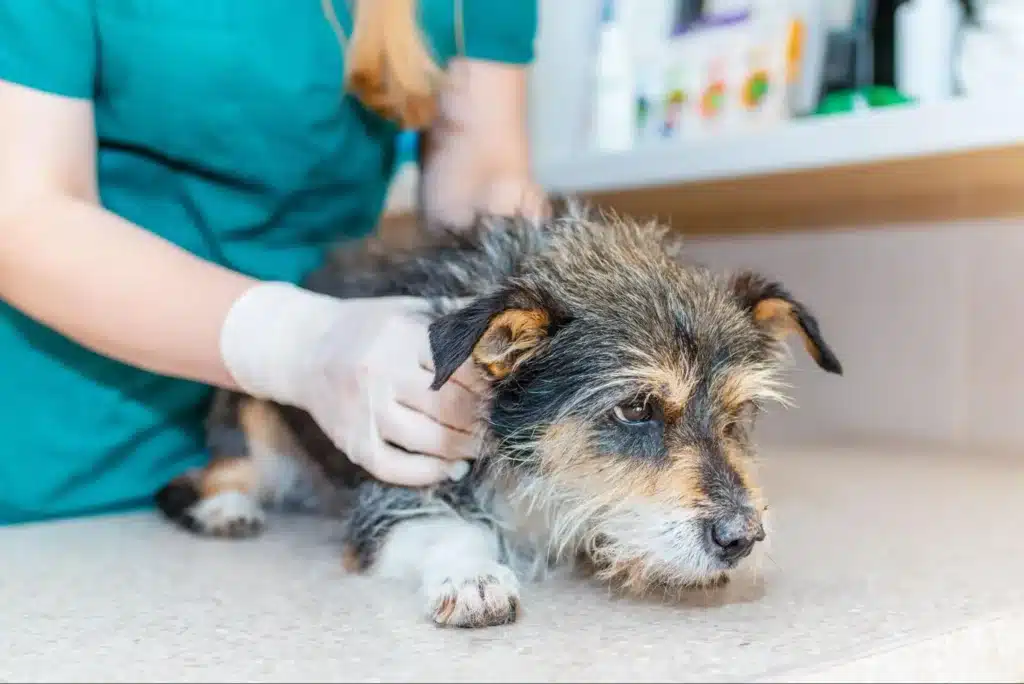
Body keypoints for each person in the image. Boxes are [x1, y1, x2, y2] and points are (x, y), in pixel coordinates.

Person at [0, 0, 549, 525]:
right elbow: (23, 211)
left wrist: (540, 296)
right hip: (78, 450)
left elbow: (479, 173)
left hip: (320, 453)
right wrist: (300, 344)